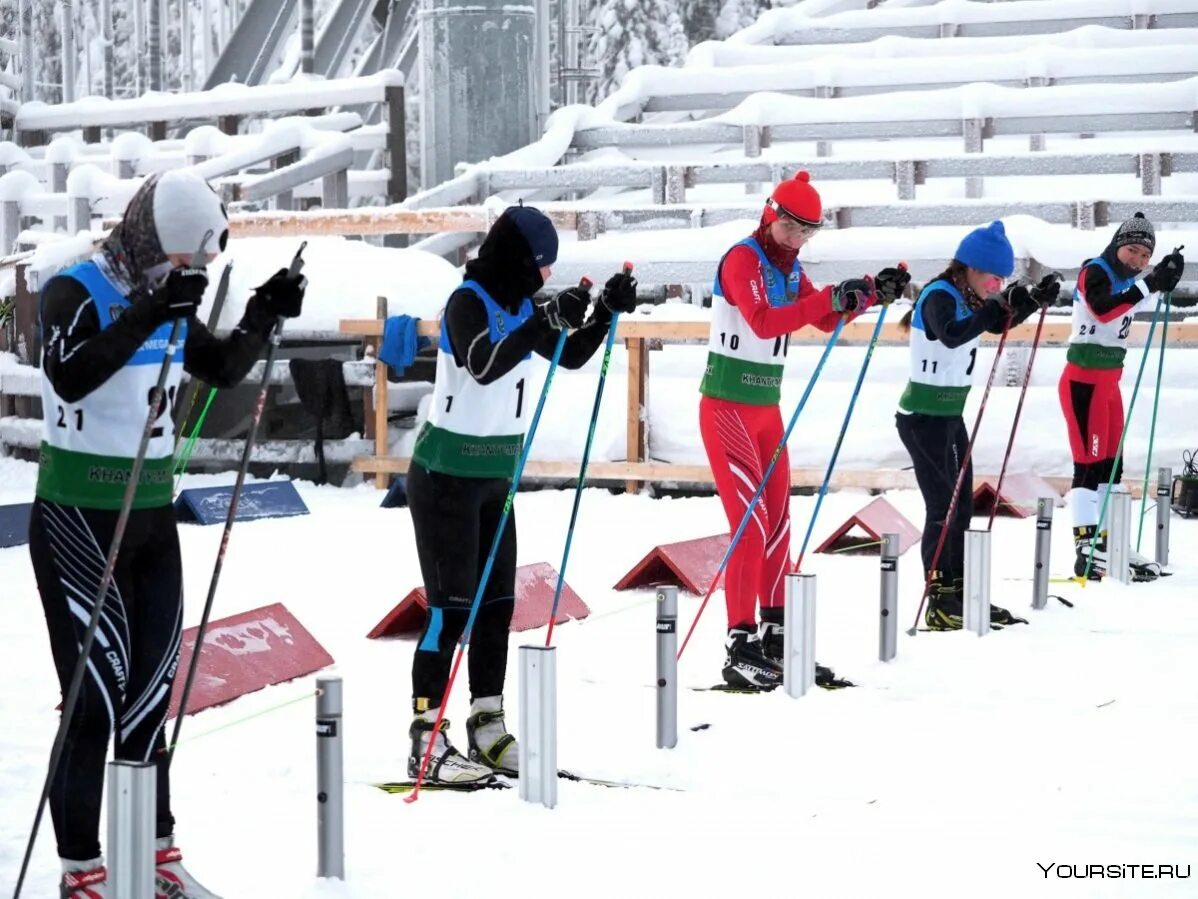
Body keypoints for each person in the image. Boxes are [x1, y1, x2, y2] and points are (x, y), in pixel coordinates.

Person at [28, 170, 307, 898]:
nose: (191, 277)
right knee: (95, 693)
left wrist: (260, 314)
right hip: (78, 518)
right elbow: (68, 374)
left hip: (150, 512)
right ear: (157, 244)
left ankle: (154, 851)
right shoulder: (75, 288)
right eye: (189, 263)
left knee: (152, 694)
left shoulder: (170, 296)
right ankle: (80, 866)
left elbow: (216, 367)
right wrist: (152, 310)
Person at [406, 204, 638, 784]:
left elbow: (574, 353)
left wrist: (604, 310)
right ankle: (424, 739)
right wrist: (541, 321)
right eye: (542, 269)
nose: (546, 280)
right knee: (449, 613)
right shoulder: (468, 302)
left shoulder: (520, 304)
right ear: (515, 259)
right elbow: (483, 362)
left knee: (496, 609)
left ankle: (487, 723)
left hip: (495, 478)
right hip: (445, 480)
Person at [698, 171, 910, 689]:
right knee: (750, 525)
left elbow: (820, 317)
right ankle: (739, 640)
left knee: (778, 525)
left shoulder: (791, 269)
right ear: (771, 216)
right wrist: (833, 298)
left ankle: (775, 631)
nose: (796, 240)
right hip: (727, 407)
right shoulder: (744, 258)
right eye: (791, 228)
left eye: (807, 232)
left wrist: (867, 295)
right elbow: (765, 322)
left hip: (766, 409)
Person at [895, 221, 1059, 631]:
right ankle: (940, 598)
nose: (997, 283)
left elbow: (995, 323)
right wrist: (994, 306)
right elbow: (951, 335)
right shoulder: (939, 296)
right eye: (993, 276)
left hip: (949, 416)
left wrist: (1032, 302)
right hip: (922, 419)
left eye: (1002, 277)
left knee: (962, 505)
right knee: (943, 506)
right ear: (970, 267)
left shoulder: (969, 298)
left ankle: (962, 590)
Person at [1059, 211, 1188, 580]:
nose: (1138, 260)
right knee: (1088, 465)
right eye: (1133, 250)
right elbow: (1102, 311)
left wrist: (1161, 279)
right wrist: (1150, 283)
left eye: (1145, 256)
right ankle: (1086, 548)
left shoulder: (1127, 281)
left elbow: (1140, 302)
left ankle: (1111, 542)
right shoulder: (1095, 272)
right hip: (1084, 382)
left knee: (1112, 467)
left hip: (1109, 383)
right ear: (1118, 245)